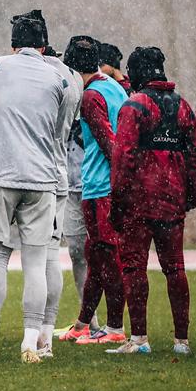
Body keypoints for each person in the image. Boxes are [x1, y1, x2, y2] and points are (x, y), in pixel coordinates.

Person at [0, 10, 82, 364]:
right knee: (38, 264)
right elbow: (59, 134)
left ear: (13, 44)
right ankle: (32, 343)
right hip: (43, 179)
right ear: (43, 44)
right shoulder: (63, 79)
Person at [108, 46, 196, 356]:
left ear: (136, 73)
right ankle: (181, 342)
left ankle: (139, 339)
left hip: (138, 203)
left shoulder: (134, 107)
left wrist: (118, 201)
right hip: (172, 203)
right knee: (175, 269)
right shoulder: (183, 107)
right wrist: (189, 196)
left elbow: (123, 157)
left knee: (134, 269)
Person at [58, 35, 128, 347]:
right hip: (105, 187)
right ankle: (83, 322)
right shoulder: (113, 86)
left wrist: (120, 179)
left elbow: (108, 142)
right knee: (96, 256)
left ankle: (114, 328)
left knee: (107, 258)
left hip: (101, 188)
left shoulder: (89, 98)